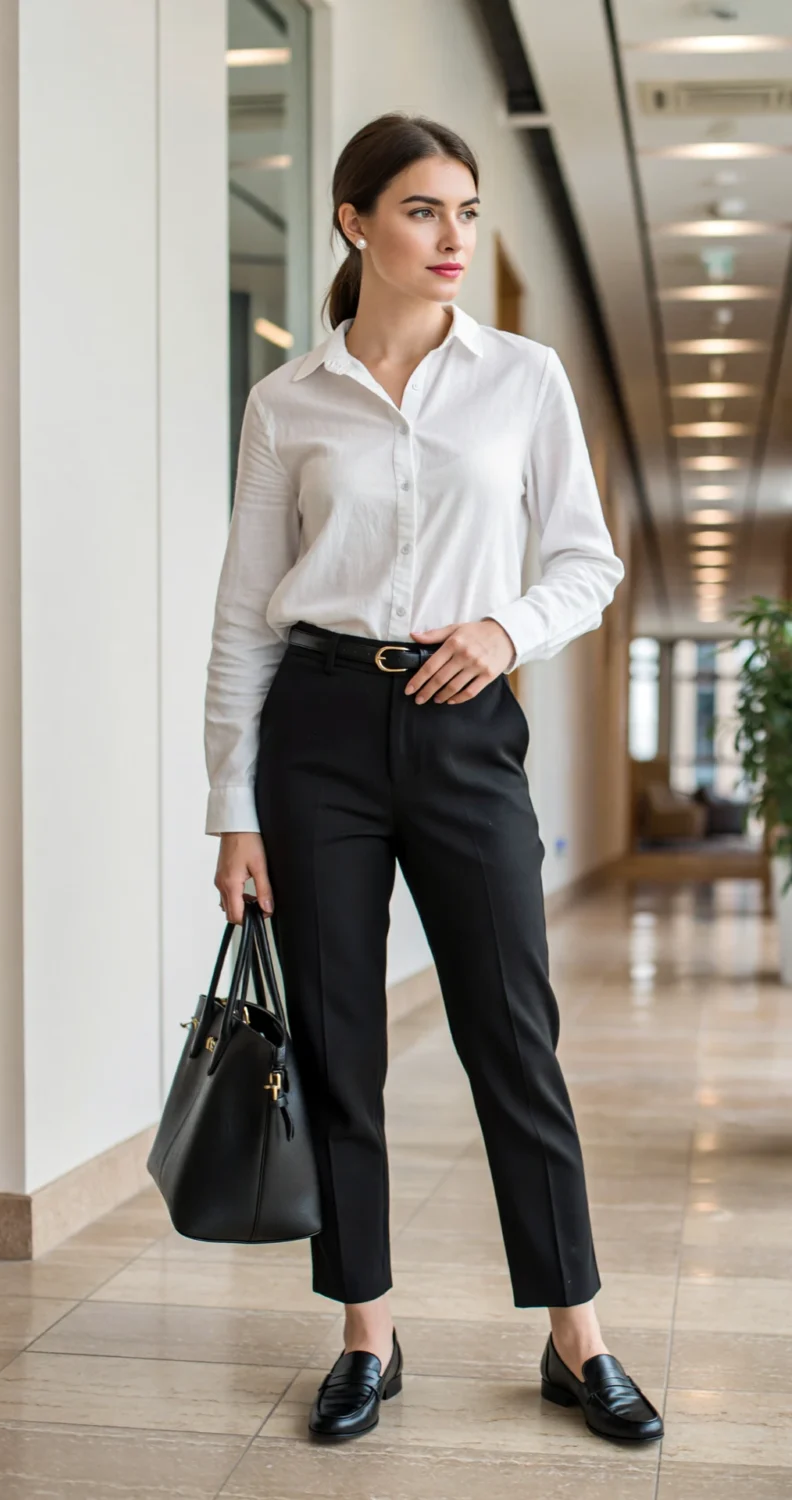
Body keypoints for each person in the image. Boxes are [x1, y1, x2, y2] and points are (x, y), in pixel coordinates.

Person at [203, 111, 663, 1447]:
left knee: (513, 1034)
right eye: (422, 209)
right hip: (320, 734)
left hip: (465, 732)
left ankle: (578, 1339)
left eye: (465, 209)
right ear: (355, 224)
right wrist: (232, 807)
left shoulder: (524, 377)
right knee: (337, 1041)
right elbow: (243, 616)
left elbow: (586, 560)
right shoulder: (288, 400)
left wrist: (503, 631)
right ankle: (366, 1332)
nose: (452, 235)